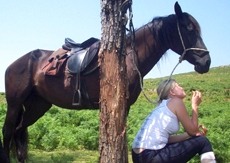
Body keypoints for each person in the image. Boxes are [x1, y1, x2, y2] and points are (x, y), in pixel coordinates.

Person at [132, 79, 216, 163]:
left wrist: (187, 134)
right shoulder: (176, 102)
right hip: (152, 155)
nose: (182, 88)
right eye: (178, 85)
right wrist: (195, 105)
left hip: (139, 156)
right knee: (203, 141)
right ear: (172, 92)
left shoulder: (163, 107)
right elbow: (193, 131)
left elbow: (166, 140)